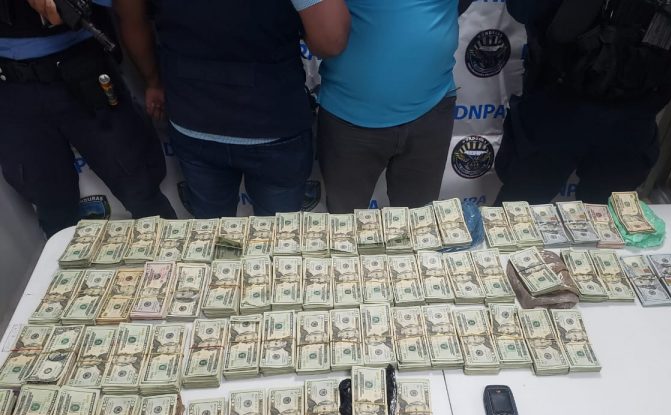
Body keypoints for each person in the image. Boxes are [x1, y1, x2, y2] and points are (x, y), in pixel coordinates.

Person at [494, 0, 671, 206]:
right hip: (560, 101)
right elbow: (523, 9)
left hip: (637, 112)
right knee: (517, 213)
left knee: (609, 227)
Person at [115, 0, 349, 219]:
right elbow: (330, 39)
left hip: (196, 115)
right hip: (270, 118)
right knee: (276, 238)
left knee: (211, 233)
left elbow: (131, 20)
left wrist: (153, 81)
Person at [0, 0, 176, 237]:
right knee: (52, 205)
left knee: (141, 190)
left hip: (83, 70)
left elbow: (127, 8)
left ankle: (170, 253)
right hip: (12, 88)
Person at [317, 1, 470, 213]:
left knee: (419, 221)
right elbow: (320, 22)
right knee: (344, 225)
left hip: (431, 106)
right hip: (347, 112)